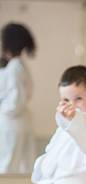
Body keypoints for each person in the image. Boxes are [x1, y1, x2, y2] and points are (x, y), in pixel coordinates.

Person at [0, 22, 35, 173]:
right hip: (18, 122)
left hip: (12, 123)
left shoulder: (14, 68)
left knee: (7, 168)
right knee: (19, 167)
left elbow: (14, 102)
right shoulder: (17, 66)